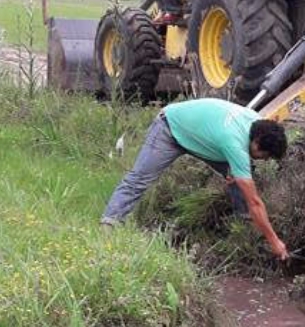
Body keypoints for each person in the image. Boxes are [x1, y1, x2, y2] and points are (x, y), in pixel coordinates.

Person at [101, 98, 290, 261]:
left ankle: (244, 229)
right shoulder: (235, 144)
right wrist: (274, 241)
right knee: (138, 180)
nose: (264, 159)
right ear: (256, 142)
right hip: (169, 129)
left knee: (243, 179)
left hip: (203, 136)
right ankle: (107, 227)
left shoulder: (257, 123)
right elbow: (255, 202)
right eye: (265, 155)